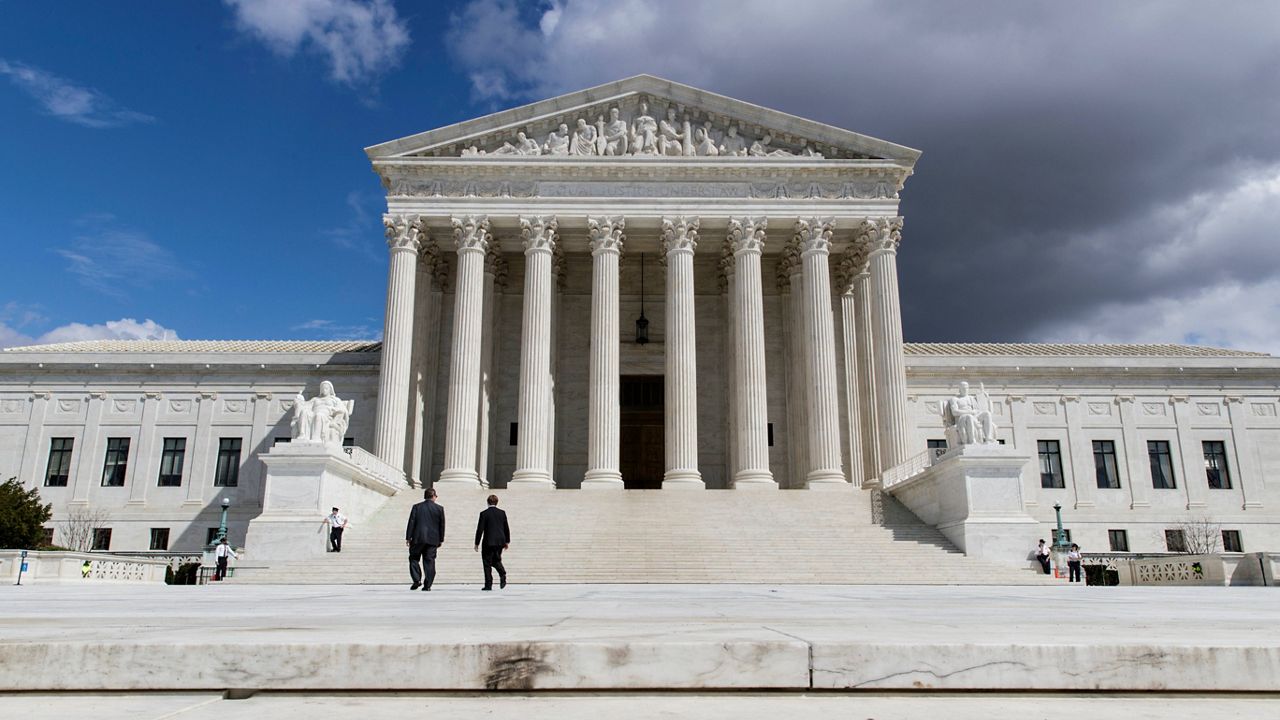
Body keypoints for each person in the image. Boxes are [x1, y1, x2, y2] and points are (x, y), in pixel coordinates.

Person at [406, 488, 446, 591]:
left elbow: (411, 522)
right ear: (433, 496)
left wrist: (408, 537)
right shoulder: (439, 508)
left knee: (414, 559)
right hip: (432, 539)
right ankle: (427, 585)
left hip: (417, 538)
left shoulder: (416, 507)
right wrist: (441, 539)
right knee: (429, 561)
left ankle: (416, 579)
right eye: (436, 496)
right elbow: (442, 525)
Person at [474, 494, 511, 591]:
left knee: (487, 563)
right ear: (497, 502)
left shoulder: (484, 514)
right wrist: (507, 541)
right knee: (496, 560)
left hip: (488, 541)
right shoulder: (502, 513)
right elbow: (506, 527)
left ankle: (488, 584)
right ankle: (502, 573)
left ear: (487, 502)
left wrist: (477, 542)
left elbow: (480, 529)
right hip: (500, 541)